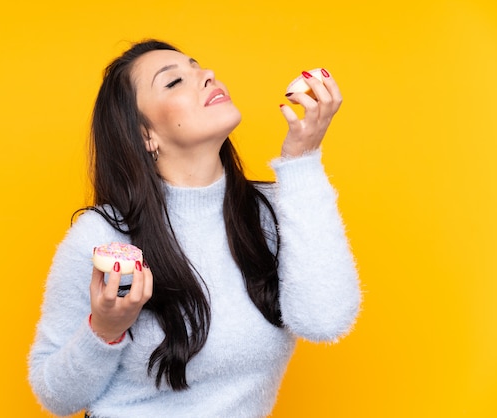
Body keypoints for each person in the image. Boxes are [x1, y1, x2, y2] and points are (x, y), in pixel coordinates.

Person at [28, 39, 361, 418]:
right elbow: (56, 397)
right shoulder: (101, 237)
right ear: (144, 135)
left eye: (198, 67)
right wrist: (105, 330)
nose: (207, 76)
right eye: (174, 82)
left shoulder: (273, 212)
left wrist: (302, 161)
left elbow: (325, 322)